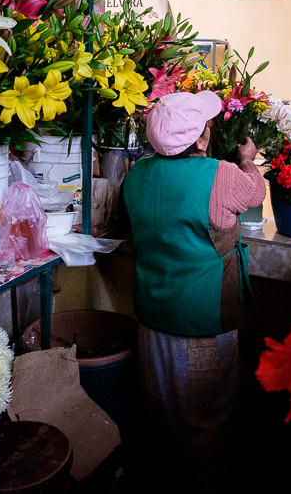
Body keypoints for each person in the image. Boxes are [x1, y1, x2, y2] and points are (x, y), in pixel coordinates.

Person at [122, 90, 266, 493]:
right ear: (201, 139)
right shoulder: (220, 175)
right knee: (207, 423)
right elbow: (255, 194)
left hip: (152, 322)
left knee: (162, 415)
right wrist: (248, 160)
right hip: (204, 322)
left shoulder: (137, 175)